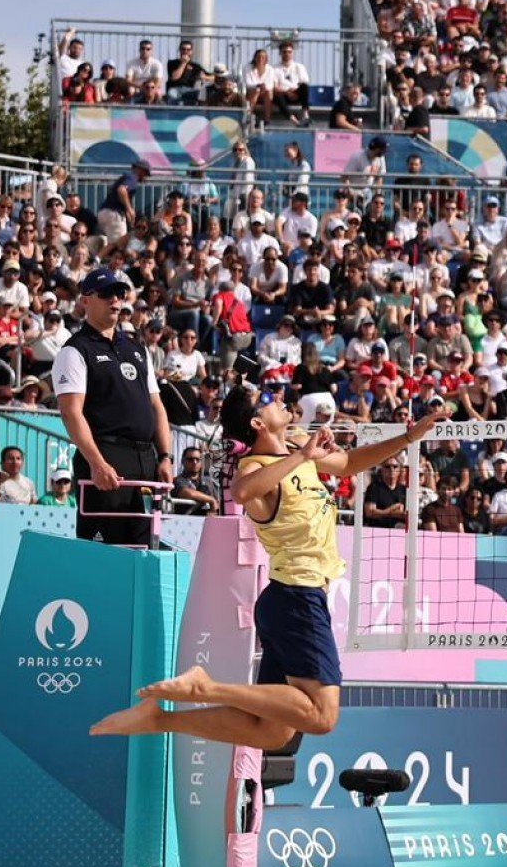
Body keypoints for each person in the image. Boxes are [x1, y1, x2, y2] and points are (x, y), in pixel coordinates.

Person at [91, 387, 450, 746]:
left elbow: (350, 464)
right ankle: (205, 686)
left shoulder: (295, 449)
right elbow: (243, 491)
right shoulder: (256, 465)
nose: (278, 397)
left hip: (288, 599)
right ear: (258, 423)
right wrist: (304, 456)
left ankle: (160, 719)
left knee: (272, 731)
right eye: (267, 399)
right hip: (297, 595)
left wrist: (409, 436)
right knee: (323, 716)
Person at [52, 269, 173, 544]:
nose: (115, 300)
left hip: (145, 459)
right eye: (106, 293)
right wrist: (97, 463)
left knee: (144, 546)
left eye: (119, 293)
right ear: (85, 300)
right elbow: (71, 412)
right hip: (108, 456)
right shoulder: (75, 350)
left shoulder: (136, 348)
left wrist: (165, 457)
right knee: (106, 549)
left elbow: (156, 405)